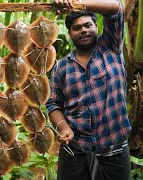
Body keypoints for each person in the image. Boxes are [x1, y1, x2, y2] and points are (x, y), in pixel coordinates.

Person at [46, 0, 131, 179]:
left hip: (114, 152)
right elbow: (53, 104)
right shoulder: (61, 67)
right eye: (77, 28)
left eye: (88, 25)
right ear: (69, 34)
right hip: (75, 153)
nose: (83, 30)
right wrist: (63, 127)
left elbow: (116, 8)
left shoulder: (111, 48)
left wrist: (78, 4)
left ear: (96, 27)